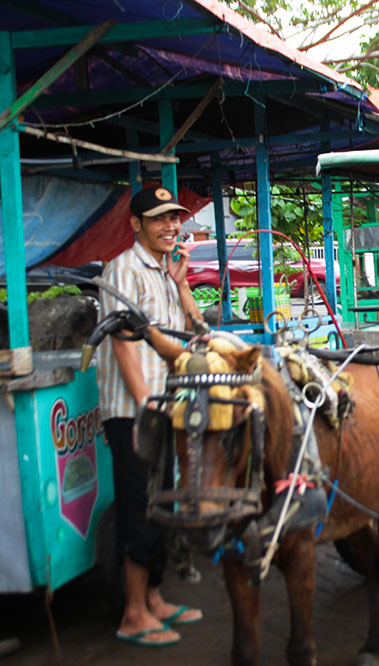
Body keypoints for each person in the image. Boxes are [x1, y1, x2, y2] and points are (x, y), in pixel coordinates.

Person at [96, 186, 205, 647]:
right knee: (139, 510)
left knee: (162, 506)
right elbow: (123, 342)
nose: (171, 226)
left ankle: (156, 598)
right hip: (134, 413)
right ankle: (134, 614)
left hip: (164, 408)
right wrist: (145, 406)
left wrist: (181, 283)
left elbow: (194, 332)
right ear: (136, 224)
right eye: (159, 219)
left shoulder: (162, 271)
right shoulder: (123, 268)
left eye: (175, 218)